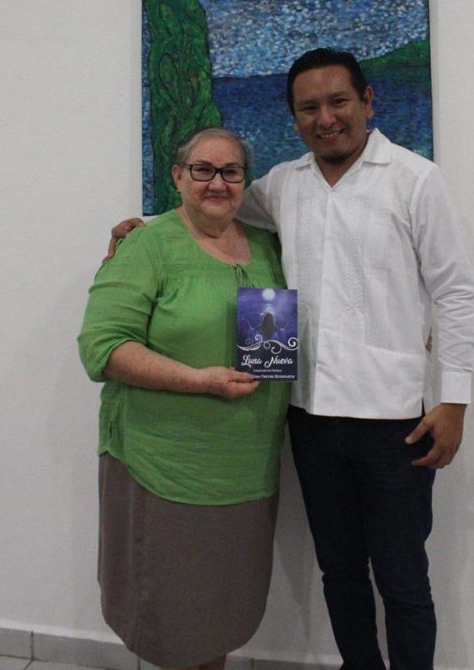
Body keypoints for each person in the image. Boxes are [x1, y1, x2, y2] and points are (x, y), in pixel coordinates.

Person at [110, 48, 474, 670]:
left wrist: (455, 399)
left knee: (402, 578)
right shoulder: (284, 184)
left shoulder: (416, 179)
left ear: (368, 101)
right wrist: (144, 224)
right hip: (310, 417)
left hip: (395, 420)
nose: (325, 118)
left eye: (338, 101)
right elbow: (216, 206)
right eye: (309, 107)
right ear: (294, 117)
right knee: (339, 570)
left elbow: (457, 292)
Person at [78, 128, 290, 670]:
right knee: (172, 618)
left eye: (231, 171)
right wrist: (198, 380)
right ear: (177, 176)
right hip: (165, 469)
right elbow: (103, 348)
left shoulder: (268, 246)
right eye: (202, 169)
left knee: (219, 614)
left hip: (246, 472)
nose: (217, 182)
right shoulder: (147, 246)